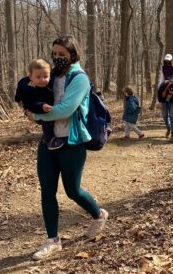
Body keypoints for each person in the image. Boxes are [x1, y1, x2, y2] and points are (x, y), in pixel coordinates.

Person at [27, 35, 108, 261]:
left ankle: (99, 214)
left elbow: (65, 110)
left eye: (62, 54)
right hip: (49, 142)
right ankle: (52, 241)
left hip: (72, 142)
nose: (57, 58)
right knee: (47, 191)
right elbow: (31, 89)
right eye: (54, 53)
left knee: (72, 190)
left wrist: (34, 114)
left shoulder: (80, 79)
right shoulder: (51, 76)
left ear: (73, 54)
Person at [15, 59, 64, 150]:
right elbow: (31, 104)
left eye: (46, 76)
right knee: (47, 122)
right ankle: (50, 140)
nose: (42, 80)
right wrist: (41, 106)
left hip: (49, 108)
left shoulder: (49, 84)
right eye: (38, 77)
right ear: (31, 77)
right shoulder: (29, 90)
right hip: (38, 111)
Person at [157, 76, 173, 141]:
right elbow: (159, 93)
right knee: (164, 115)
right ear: (169, 89)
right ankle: (168, 127)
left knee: (172, 115)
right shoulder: (163, 85)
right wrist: (160, 102)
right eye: (172, 92)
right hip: (164, 100)